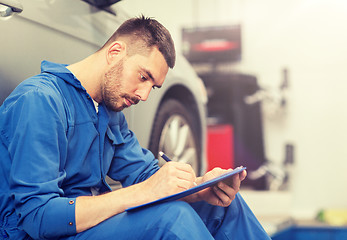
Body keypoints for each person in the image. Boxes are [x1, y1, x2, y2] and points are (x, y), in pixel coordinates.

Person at [0, 16, 270, 240]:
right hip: (42, 234)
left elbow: (144, 174)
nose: (144, 95)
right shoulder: (39, 100)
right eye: (143, 77)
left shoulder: (107, 109)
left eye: (152, 86)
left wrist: (199, 188)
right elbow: (38, 217)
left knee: (225, 206)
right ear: (115, 52)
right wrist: (143, 192)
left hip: (89, 228)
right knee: (172, 219)